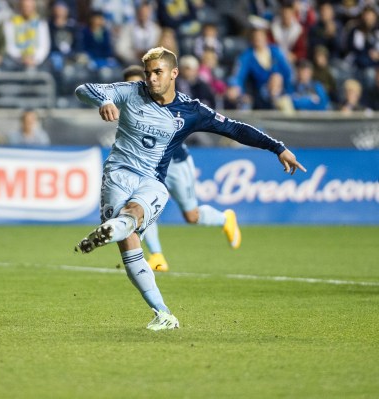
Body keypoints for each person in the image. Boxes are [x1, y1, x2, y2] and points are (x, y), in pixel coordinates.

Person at [74, 46, 306, 331]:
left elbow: (234, 128)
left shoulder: (191, 110)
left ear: (174, 73)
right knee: (129, 240)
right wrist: (104, 100)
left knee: (139, 216)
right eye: (148, 73)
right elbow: (84, 88)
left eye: (158, 72)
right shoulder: (131, 91)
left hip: (153, 180)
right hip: (118, 175)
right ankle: (162, 312)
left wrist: (277, 148)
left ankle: (114, 229)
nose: (151, 79)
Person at [123, 64, 244, 273]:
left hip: (176, 165)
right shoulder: (127, 106)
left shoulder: (159, 102)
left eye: (136, 83)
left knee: (192, 216)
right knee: (142, 206)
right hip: (150, 169)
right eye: (128, 84)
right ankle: (158, 256)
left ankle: (225, 219)